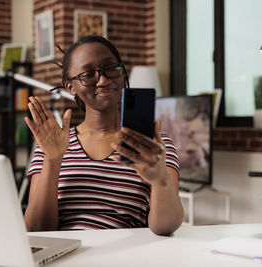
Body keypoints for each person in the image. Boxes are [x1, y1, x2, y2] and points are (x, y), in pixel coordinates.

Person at [24, 35, 183, 235]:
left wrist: (161, 180)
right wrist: (53, 159)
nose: (103, 80)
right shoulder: (51, 144)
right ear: (70, 86)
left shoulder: (154, 145)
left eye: (111, 68)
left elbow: (165, 227)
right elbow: (37, 229)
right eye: (88, 74)